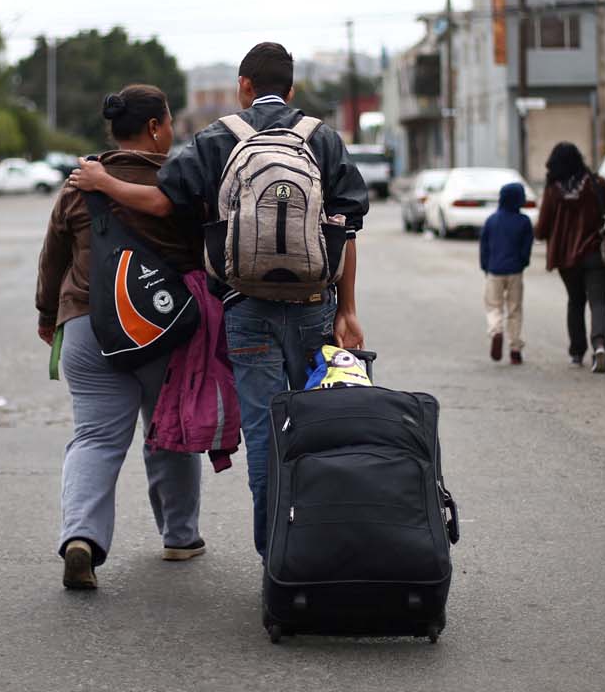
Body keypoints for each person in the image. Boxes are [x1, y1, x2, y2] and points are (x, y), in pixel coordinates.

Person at [67, 42, 369, 557]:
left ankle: (275, 554)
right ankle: (322, 541)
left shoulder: (218, 138)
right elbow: (348, 229)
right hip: (313, 305)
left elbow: (161, 201)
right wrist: (347, 310)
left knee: (263, 431)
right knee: (316, 424)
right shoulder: (322, 138)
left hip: (245, 307)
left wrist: (103, 181)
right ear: (292, 89)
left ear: (243, 87)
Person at [35, 85, 207, 590]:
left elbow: (53, 258)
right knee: (167, 433)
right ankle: (179, 537)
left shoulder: (78, 185)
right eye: (170, 120)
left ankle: (81, 539)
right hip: (160, 326)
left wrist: (50, 314)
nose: (173, 129)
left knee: (94, 436)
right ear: (155, 126)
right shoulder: (177, 182)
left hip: (87, 324)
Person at [533, 142, 605, 373]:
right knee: (598, 301)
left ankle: (576, 353)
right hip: (595, 252)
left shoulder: (553, 190)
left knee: (575, 301)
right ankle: (600, 346)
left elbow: (542, 229)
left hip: (565, 257)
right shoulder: (596, 183)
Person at [478, 181, 533, 364]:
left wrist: (485, 266)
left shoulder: (492, 220)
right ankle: (515, 349)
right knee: (515, 309)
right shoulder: (524, 221)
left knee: (494, 306)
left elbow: (484, 246)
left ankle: (496, 331)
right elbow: (526, 248)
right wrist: (522, 263)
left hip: (494, 270)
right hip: (515, 271)